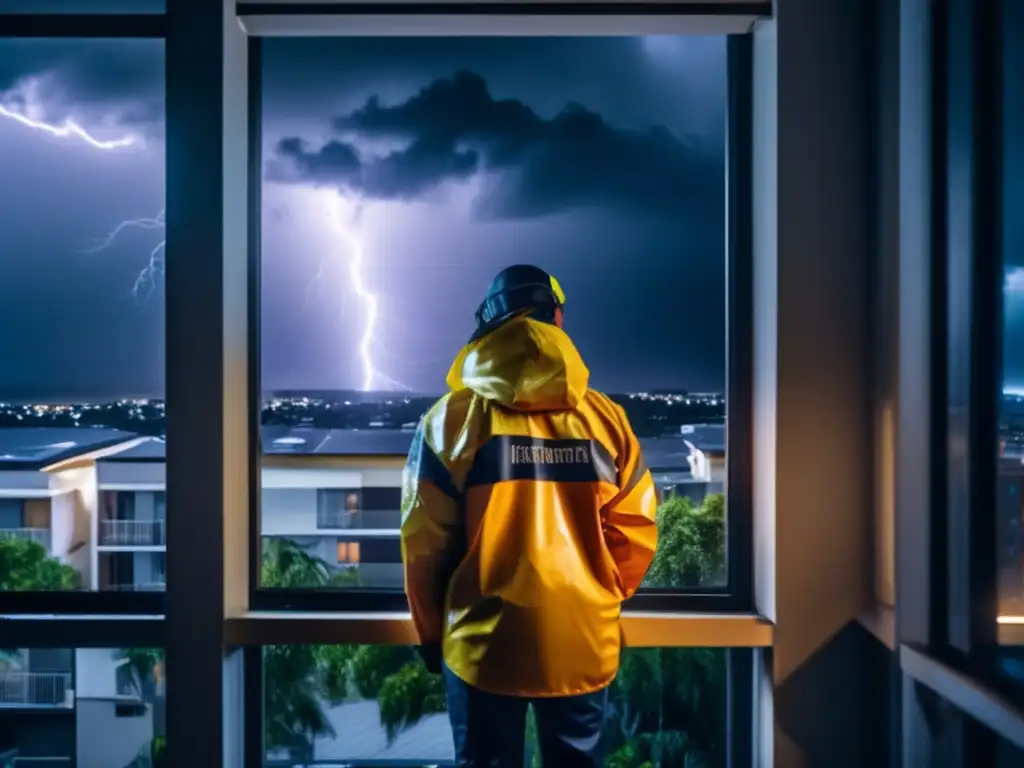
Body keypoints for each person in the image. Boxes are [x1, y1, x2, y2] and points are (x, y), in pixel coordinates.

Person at [400, 264, 658, 767]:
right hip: (582, 642)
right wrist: (596, 597)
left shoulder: (449, 421)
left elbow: (422, 545)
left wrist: (431, 635)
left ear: (490, 325)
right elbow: (637, 531)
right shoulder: (607, 420)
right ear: (557, 318)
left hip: (481, 648)